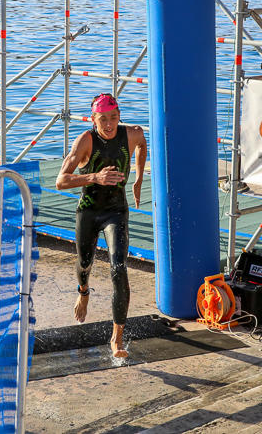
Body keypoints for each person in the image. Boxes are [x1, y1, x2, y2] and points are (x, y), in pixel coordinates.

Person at [55, 93, 147, 358]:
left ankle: (117, 337)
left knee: (119, 267)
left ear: (120, 117)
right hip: (89, 210)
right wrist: (95, 177)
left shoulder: (132, 134)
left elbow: (142, 144)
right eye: (103, 119)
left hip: (116, 211)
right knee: (84, 263)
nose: (109, 125)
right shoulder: (86, 140)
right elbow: (61, 181)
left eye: (114, 118)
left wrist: (139, 178)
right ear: (93, 120)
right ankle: (83, 292)